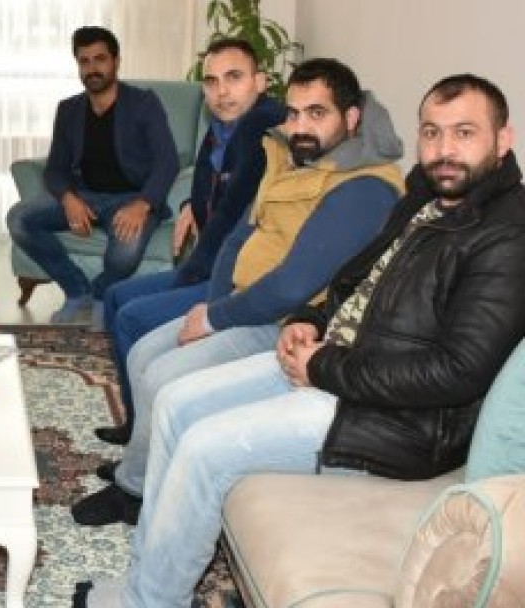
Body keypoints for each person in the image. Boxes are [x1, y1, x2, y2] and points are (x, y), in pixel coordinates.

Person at [77, 73, 525, 608]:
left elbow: (457, 372)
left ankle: (146, 602)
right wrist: (311, 318)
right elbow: (357, 280)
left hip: (392, 417)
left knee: (203, 448)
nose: (444, 149)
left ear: (503, 139)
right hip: (335, 363)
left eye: (464, 133)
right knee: (174, 403)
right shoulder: (423, 197)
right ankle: (147, 582)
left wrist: (322, 367)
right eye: (432, 132)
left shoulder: (506, 235)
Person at [74, 58, 405, 527]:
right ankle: (144, 464)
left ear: (351, 118)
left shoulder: (364, 188)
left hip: (287, 322)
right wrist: (212, 304)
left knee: (163, 375)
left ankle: (135, 492)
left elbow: (294, 285)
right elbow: (237, 238)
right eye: (293, 113)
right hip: (241, 303)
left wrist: (214, 321)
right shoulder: (291, 159)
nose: (300, 126)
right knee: (143, 352)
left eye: (317, 113)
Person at [97, 38, 285, 443]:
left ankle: (148, 435)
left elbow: (229, 216)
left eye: (234, 78)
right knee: (115, 297)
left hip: (232, 279)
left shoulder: (261, 130)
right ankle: (136, 422)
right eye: (212, 81)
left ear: (260, 82)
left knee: (131, 316)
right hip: (212, 265)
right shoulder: (221, 132)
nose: (222, 91)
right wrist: (188, 205)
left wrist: (185, 279)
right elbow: (209, 189)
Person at [6, 26, 179, 325]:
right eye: (84, 61)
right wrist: (68, 199)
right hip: (85, 196)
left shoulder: (143, 103)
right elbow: (56, 168)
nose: (92, 68)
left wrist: (143, 204)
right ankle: (77, 290)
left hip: (131, 198)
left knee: (126, 252)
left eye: (100, 59)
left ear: (116, 61)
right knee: (19, 218)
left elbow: (167, 161)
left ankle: (101, 293)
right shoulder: (69, 110)